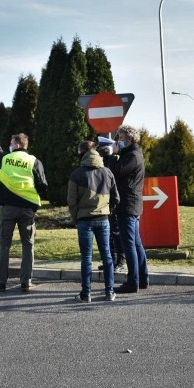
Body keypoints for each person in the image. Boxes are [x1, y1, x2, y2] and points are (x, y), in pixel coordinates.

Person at [0, 133, 48, 293]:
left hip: (7, 209)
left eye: (11, 142)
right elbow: (43, 185)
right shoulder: (34, 161)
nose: (9, 145)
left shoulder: (6, 159)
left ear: (17, 145)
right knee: (28, 245)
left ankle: (1, 283)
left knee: (4, 245)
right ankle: (26, 282)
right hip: (27, 209)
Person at [68, 140, 120, 302]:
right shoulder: (107, 172)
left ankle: (86, 293)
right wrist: (107, 211)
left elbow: (71, 200)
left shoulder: (77, 174)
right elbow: (116, 198)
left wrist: (76, 216)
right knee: (107, 256)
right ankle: (109, 291)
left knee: (86, 257)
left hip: (84, 220)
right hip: (103, 219)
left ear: (82, 153)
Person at [103, 124, 148, 294]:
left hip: (127, 205)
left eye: (120, 138)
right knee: (136, 243)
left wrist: (113, 155)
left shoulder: (133, 156)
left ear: (129, 139)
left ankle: (133, 281)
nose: (118, 141)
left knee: (129, 244)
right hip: (131, 204)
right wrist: (116, 154)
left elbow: (117, 171)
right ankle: (142, 279)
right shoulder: (132, 154)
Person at [97, 136, 125, 272]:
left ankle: (120, 260)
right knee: (109, 233)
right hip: (106, 201)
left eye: (103, 150)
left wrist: (110, 156)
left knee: (116, 232)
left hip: (114, 201)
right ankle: (111, 260)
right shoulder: (105, 161)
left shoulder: (115, 160)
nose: (101, 152)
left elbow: (112, 176)